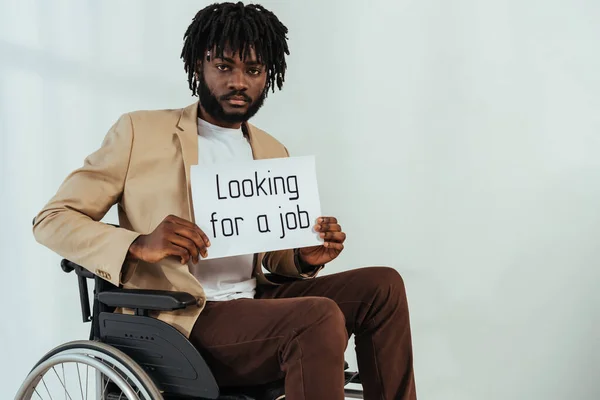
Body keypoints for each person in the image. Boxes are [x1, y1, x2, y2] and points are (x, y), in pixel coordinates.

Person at [32, 2, 416, 399]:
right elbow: (53, 219)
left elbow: (269, 257)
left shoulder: (271, 149)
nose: (239, 82)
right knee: (316, 317)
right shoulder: (139, 132)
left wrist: (302, 256)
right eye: (224, 67)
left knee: (383, 286)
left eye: (253, 70)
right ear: (199, 66)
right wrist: (139, 244)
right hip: (179, 316)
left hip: (255, 303)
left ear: (268, 75)